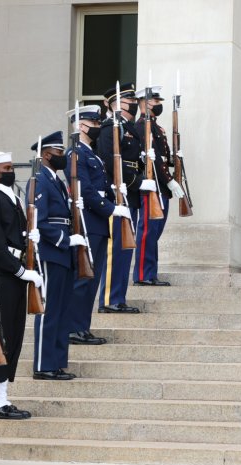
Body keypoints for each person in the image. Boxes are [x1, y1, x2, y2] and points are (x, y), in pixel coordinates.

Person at [0, 151, 40, 419]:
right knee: (0, 338)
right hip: (2, 274)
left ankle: (1, 398)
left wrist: (30, 239)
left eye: (11, 167)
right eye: (6, 167)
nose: (11, 171)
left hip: (14, 272)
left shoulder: (9, 195)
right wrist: (20, 270)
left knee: (13, 336)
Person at [63, 105, 127, 346]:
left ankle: (82, 327)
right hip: (87, 222)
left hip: (97, 224)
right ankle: (73, 329)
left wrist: (115, 192)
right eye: (95, 123)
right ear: (81, 126)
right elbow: (84, 189)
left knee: (92, 280)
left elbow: (100, 186)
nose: (99, 127)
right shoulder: (76, 153)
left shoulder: (92, 154)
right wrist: (111, 208)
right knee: (83, 279)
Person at [26, 134, 87, 380]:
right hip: (52, 252)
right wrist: (65, 240)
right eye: (58, 153)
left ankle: (57, 362)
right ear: (45, 155)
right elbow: (38, 221)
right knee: (49, 311)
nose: (62, 157)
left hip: (64, 253)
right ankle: (43, 365)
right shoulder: (39, 180)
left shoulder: (57, 181)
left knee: (63, 310)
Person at [96, 82, 144, 313]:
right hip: (117, 193)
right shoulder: (110, 128)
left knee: (125, 250)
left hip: (130, 193)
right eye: (130, 101)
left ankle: (119, 297)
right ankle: (109, 299)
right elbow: (108, 160)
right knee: (115, 249)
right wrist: (135, 181)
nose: (134, 104)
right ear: (117, 103)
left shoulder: (128, 127)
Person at [134, 85, 185, 284]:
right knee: (147, 231)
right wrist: (169, 180)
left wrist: (175, 159)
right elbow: (152, 161)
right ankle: (142, 275)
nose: (158, 105)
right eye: (156, 101)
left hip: (160, 186)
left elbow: (162, 158)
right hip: (152, 185)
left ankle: (151, 273)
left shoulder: (157, 128)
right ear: (145, 103)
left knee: (154, 232)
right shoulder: (141, 126)